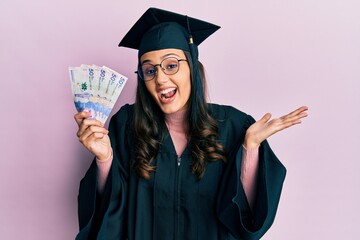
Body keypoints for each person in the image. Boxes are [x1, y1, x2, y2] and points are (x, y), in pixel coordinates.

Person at [74, 7, 308, 240]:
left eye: (171, 65)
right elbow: (109, 218)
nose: (161, 79)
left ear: (192, 67)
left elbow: (246, 222)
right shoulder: (126, 127)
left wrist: (250, 148)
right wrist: (105, 160)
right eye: (149, 70)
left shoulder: (233, 126)